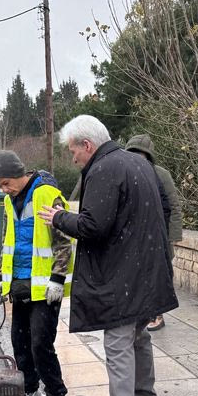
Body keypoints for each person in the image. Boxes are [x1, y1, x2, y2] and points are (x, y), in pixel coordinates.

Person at [39, 115, 178, 396]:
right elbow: (163, 211)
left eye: (73, 151)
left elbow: (93, 226)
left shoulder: (104, 168)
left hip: (122, 279)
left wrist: (58, 218)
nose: (73, 159)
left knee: (118, 351)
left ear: (87, 145)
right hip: (146, 274)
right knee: (138, 339)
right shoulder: (139, 163)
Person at [0, 150, 74, 396]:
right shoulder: (8, 201)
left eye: (5, 183)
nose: (4, 189)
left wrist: (58, 279)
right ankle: (32, 392)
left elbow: (63, 240)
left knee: (40, 344)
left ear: (17, 173)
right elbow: (7, 241)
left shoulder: (47, 195)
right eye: (1, 185)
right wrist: (3, 276)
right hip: (20, 285)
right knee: (20, 343)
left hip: (46, 287)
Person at [69, 134, 182, 333]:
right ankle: (142, 316)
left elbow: (171, 205)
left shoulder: (159, 173)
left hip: (155, 237)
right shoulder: (116, 168)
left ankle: (155, 314)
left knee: (155, 278)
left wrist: (169, 237)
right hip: (129, 242)